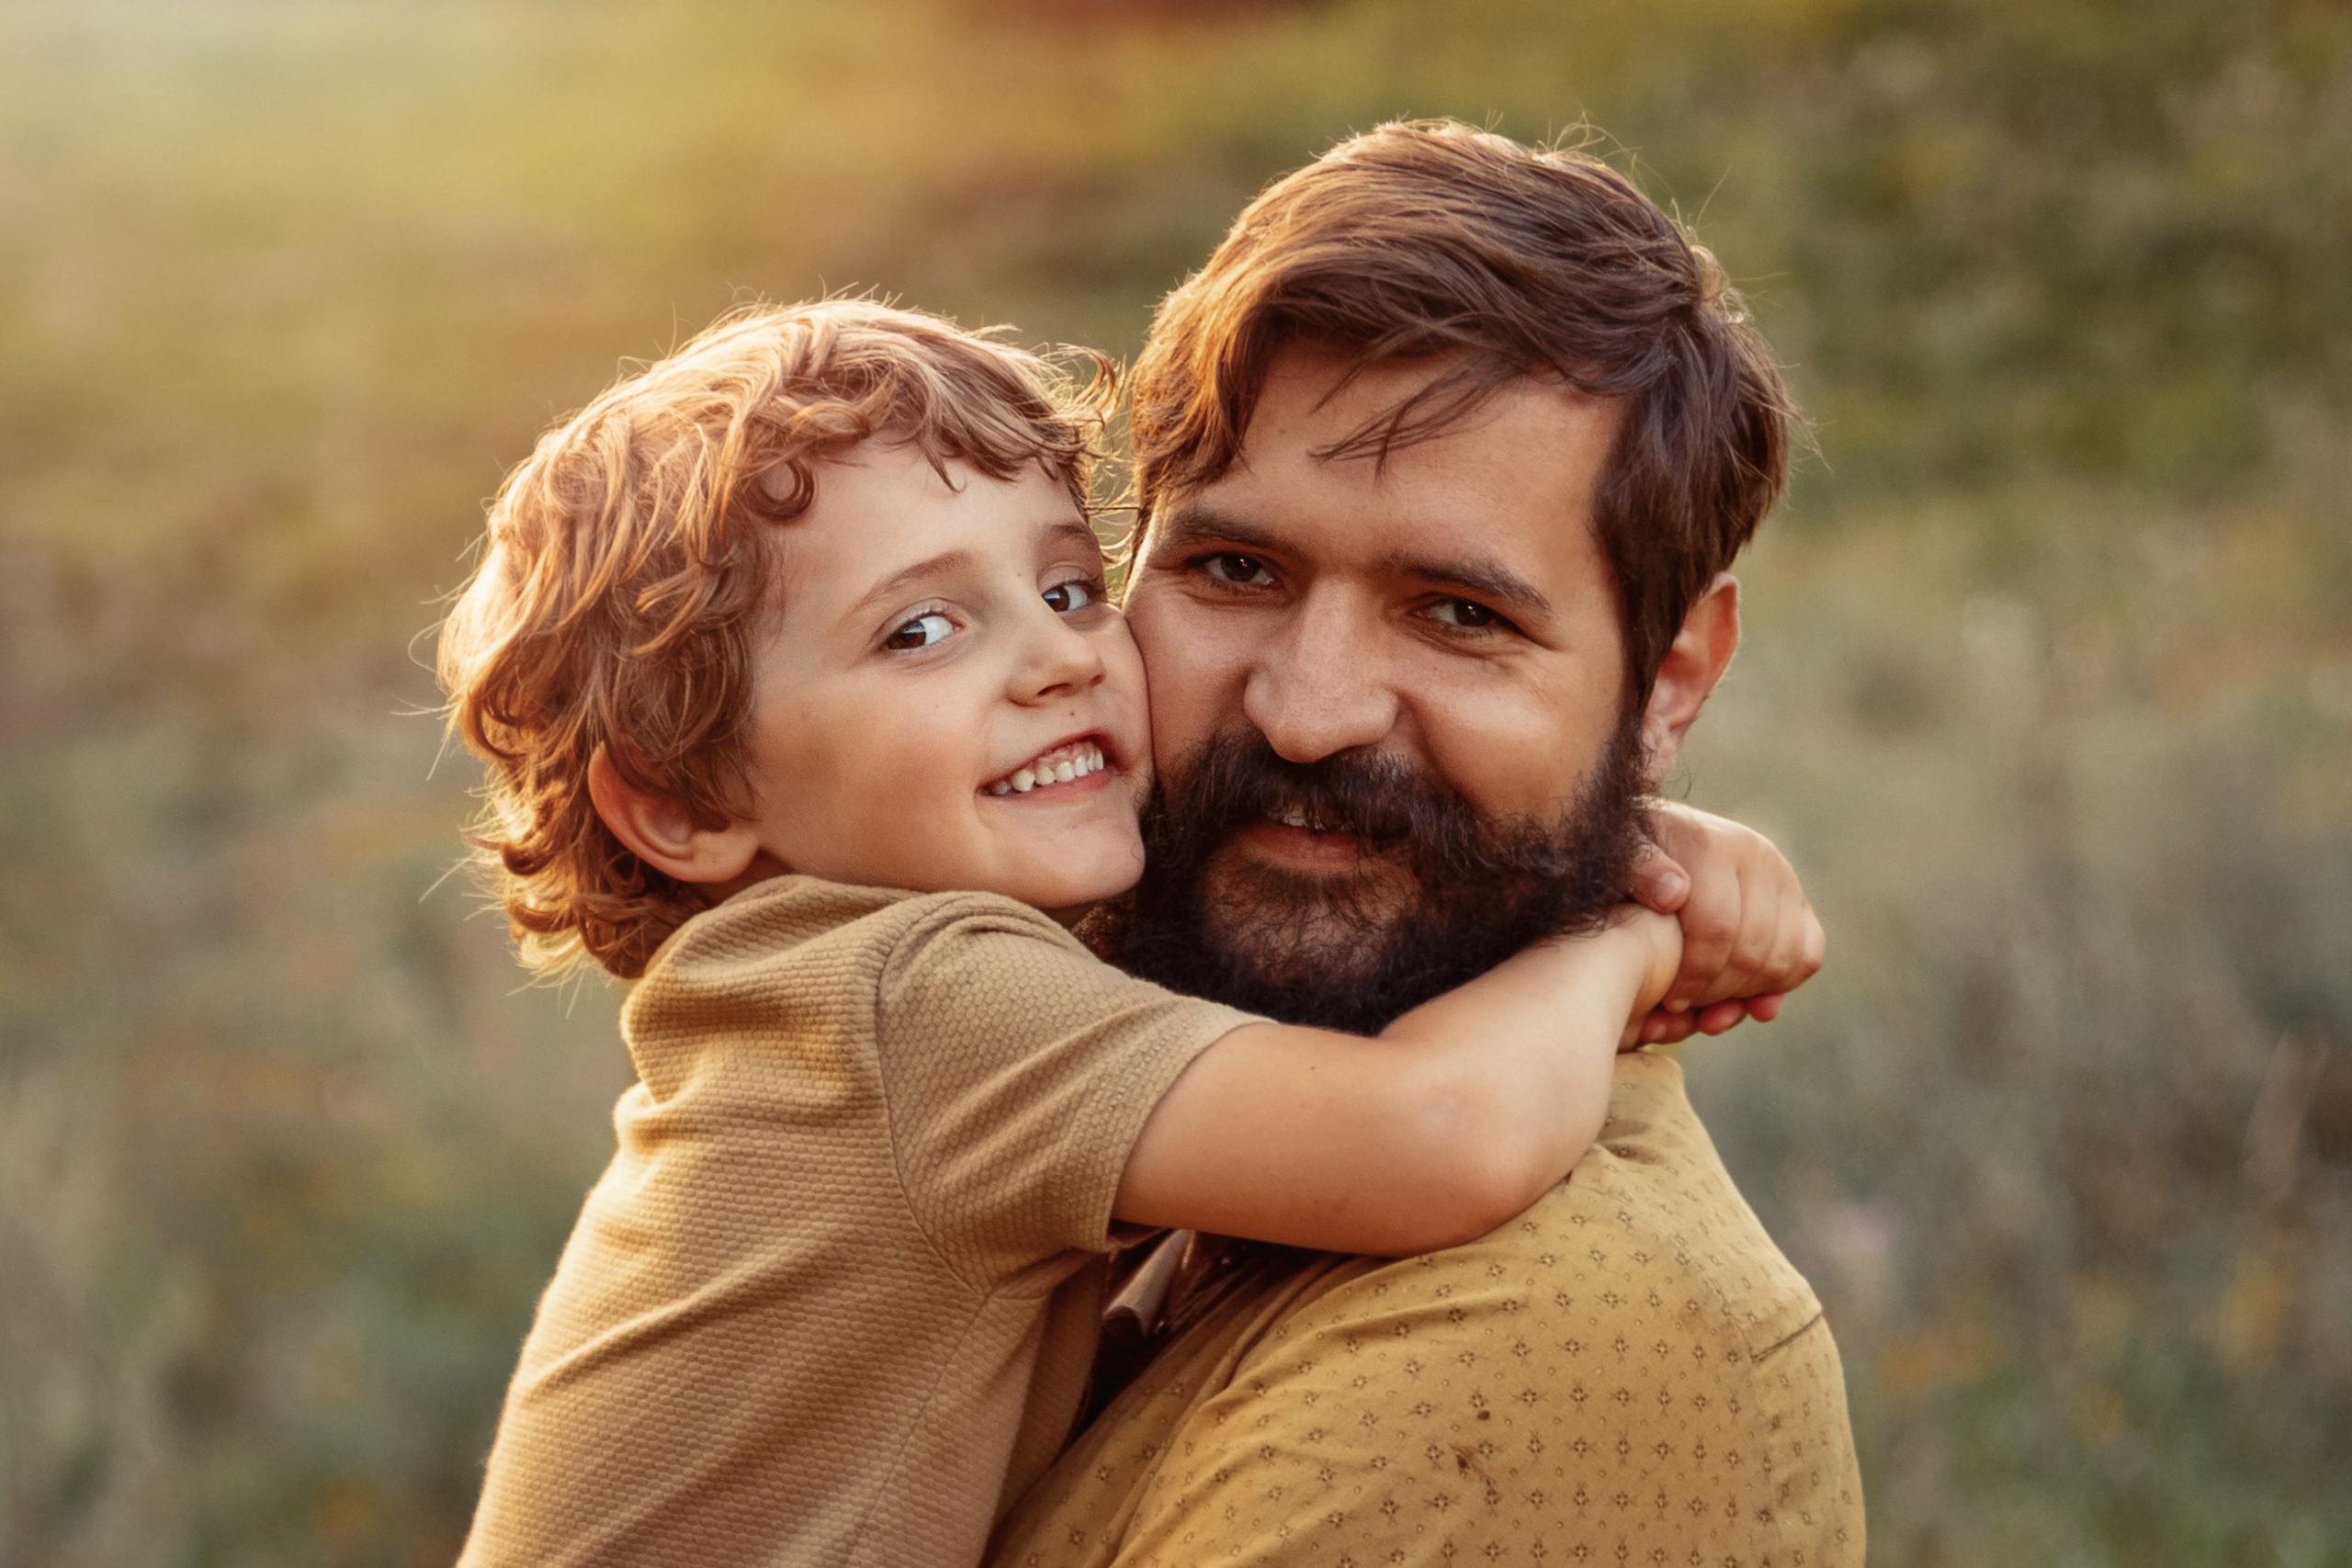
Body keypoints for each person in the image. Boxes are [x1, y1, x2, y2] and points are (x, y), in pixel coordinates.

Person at [434, 299, 1820, 1567]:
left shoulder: (859, 993)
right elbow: (1436, 1136)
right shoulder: (917, 1001)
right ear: (680, 799)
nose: (1055, 660)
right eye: (920, 631)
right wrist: (1630, 933)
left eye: (1066, 587)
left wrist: (1617, 840)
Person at [984, 121, 1867, 1567]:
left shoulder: (1519, 1374)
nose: (1307, 712)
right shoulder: (1118, 1136)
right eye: (1232, 569)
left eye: (1460, 613)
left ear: (1675, 680)